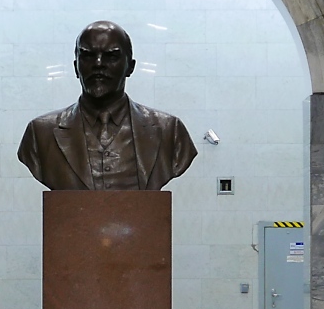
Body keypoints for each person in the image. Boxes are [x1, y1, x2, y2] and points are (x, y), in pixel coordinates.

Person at [17, 20, 197, 190]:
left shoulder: (169, 130)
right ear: (76, 67)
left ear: (130, 67)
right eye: (87, 56)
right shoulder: (40, 133)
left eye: (111, 56)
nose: (98, 64)